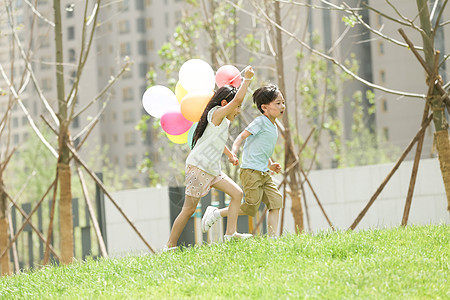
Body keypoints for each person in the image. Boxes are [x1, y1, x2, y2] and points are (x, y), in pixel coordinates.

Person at [163, 67, 255, 251]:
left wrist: (230, 155)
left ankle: (230, 235)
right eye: (236, 107)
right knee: (188, 209)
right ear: (224, 103)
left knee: (237, 194)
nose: (238, 110)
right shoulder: (216, 113)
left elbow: (216, 142)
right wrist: (247, 80)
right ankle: (169, 246)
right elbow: (237, 99)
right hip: (198, 167)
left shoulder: (224, 120)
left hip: (212, 169)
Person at [201, 84, 285, 237]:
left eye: (283, 102)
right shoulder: (260, 122)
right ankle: (216, 213)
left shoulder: (273, 126)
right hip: (251, 172)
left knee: (275, 201)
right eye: (278, 103)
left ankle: (273, 240)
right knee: (251, 208)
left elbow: (262, 150)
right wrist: (233, 152)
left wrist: (271, 164)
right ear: (264, 107)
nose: (282, 106)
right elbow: (241, 137)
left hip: (264, 172)